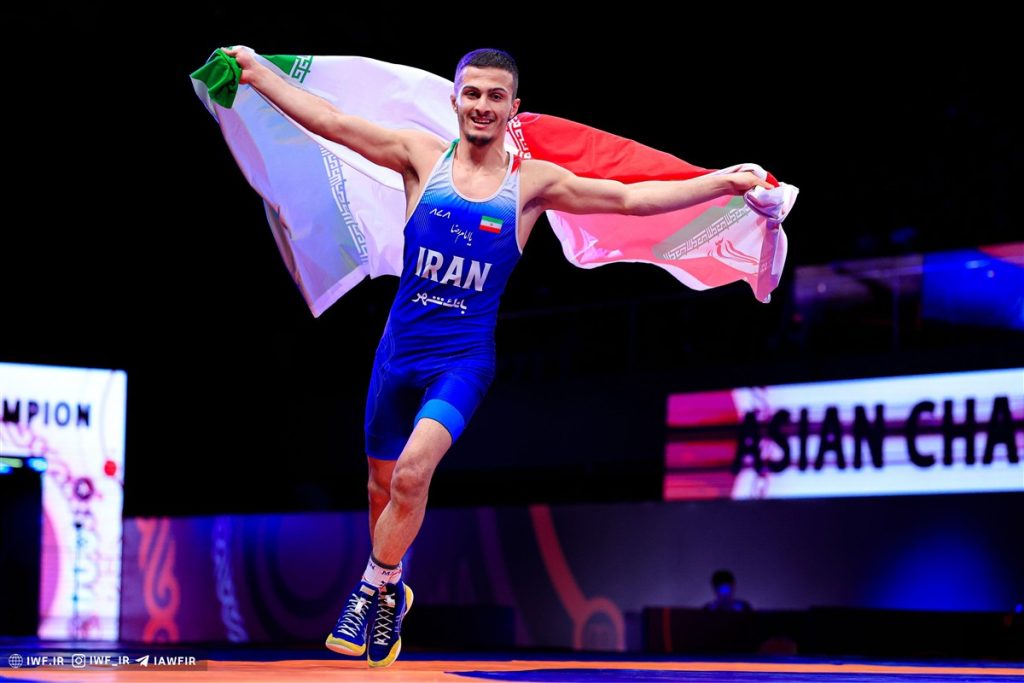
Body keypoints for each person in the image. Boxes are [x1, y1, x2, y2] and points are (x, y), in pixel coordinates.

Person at [221, 45, 771, 668]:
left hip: (461, 363)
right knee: (380, 489)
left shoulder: (532, 185)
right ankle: (394, 588)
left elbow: (626, 198)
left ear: (513, 107)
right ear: (456, 100)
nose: (482, 105)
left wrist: (723, 181)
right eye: (473, 93)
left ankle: (370, 587)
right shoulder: (419, 155)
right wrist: (257, 73)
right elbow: (330, 121)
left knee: (411, 476)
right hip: (396, 358)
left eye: (495, 96)